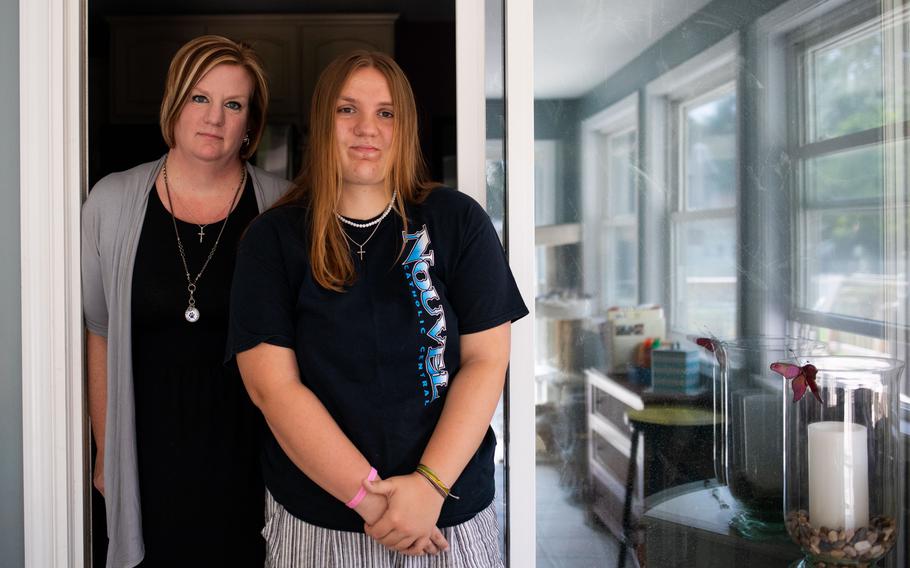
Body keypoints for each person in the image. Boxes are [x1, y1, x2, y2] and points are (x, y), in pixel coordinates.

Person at [227, 50, 528, 567]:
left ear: (404, 126)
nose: (368, 128)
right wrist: (373, 503)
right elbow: (271, 388)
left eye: (386, 113)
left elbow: (486, 361)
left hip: (448, 514)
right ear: (323, 122)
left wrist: (427, 489)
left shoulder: (459, 222)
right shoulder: (272, 239)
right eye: (348, 110)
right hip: (321, 520)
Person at [82, 35, 290, 568]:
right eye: (200, 98)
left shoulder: (285, 207)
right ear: (174, 104)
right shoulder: (110, 202)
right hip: (148, 455)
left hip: (253, 457)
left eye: (233, 104)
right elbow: (99, 332)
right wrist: (107, 452)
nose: (214, 118)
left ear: (250, 123)